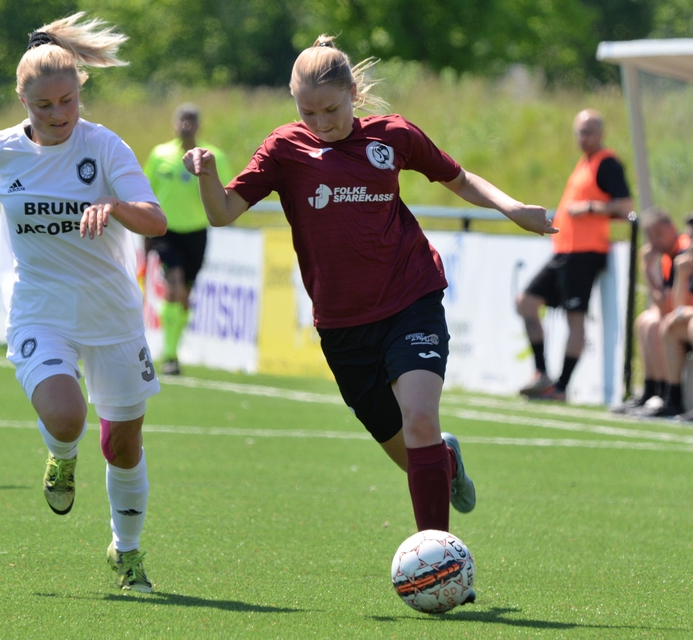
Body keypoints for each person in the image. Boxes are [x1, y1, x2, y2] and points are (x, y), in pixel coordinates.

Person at [182, 35, 555, 599]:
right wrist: (208, 174)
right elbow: (223, 213)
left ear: (353, 94)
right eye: (308, 112)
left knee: (421, 420)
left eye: (331, 109)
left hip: (411, 298)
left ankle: (442, 568)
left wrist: (512, 208)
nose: (321, 122)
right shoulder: (283, 149)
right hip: (342, 327)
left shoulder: (393, 136)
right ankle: (445, 462)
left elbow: (458, 178)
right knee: (414, 457)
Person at [0, 13, 166, 593]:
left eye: (68, 101)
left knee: (122, 446)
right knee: (67, 416)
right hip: (39, 309)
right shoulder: (0, 151)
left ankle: (127, 552)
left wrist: (115, 207)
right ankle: (61, 454)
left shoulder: (104, 146)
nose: (58, 114)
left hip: (111, 313)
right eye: (44, 105)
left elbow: (155, 219)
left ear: (80, 92)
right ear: (22, 100)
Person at [516, 109, 634, 402]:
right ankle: (542, 373)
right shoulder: (585, 162)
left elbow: (625, 204)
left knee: (575, 319)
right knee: (526, 302)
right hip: (564, 251)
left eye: (589, 131)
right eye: (580, 132)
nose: (584, 137)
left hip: (585, 252)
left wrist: (591, 207)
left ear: (601, 133)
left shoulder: (607, 162)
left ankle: (561, 387)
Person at [143, 104, 231, 375]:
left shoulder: (213, 157)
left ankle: (174, 350)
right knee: (174, 284)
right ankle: (169, 356)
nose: (186, 125)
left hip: (196, 232)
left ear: (198, 125)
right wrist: (145, 232)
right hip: (166, 232)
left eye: (191, 120)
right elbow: (145, 192)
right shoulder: (160, 155)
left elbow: (226, 192)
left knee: (184, 295)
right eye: (182, 119)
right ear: (174, 123)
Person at [611, 208, 686, 413]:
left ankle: (666, 393)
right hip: (681, 314)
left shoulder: (682, 252)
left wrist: (647, 270)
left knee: (655, 324)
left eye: (659, 234)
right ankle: (650, 390)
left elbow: (666, 305)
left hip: (685, 315)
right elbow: (661, 304)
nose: (655, 241)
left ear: (672, 228)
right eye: (651, 237)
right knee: (644, 321)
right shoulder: (667, 257)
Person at [648, 214, 693, 417]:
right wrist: (682, 275)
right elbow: (677, 307)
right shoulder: (685, 261)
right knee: (670, 327)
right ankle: (672, 398)